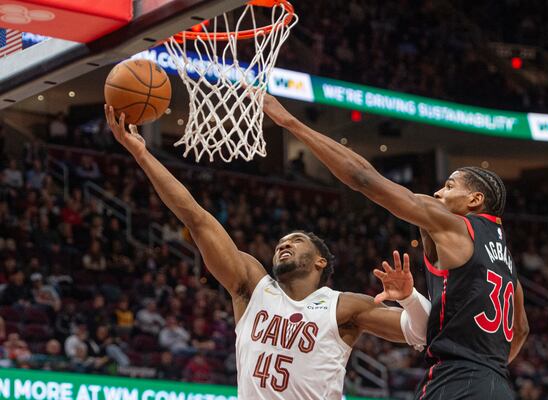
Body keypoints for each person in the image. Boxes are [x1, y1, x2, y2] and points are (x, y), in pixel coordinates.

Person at [105, 105, 430, 399]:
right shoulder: (251, 286)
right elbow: (195, 217)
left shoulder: (343, 306)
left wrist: (409, 297)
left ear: (321, 261)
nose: (283, 245)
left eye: (296, 240)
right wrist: (142, 156)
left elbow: (421, 332)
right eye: (280, 243)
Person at [261, 94, 529, 400]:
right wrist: (486, 371)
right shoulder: (508, 263)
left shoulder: (455, 225)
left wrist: (290, 122)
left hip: (455, 381)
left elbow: (364, 179)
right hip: (497, 386)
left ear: (475, 200)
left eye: (450, 186)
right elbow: (520, 330)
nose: (439, 192)